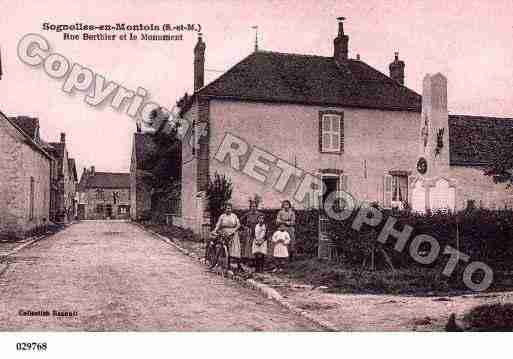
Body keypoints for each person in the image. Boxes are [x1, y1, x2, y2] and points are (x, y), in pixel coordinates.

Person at [212, 203, 243, 271]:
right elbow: (218, 225)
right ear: (225, 209)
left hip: (233, 233)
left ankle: (238, 264)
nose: (228, 210)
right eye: (227, 208)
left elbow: (238, 225)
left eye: (229, 208)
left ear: (231, 209)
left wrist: (234, 230)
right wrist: (215, 230)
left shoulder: (234, 216)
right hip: (224, 232)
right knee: (220, 246)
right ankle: (216, 262)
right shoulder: (222, 216)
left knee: (235, 249)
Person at [240, 200, 263, 265]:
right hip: (249, 231)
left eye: (254, 206)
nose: (253, 207)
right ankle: (247, 259)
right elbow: (240, 221)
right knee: (248, 245)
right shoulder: (247, 214)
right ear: (250, 207)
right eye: (252, 206)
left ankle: (255, 260)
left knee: (255, 245)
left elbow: (262, 222)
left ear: (256, 207)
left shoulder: (260, 214)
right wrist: (244, 227)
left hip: (256, 231)